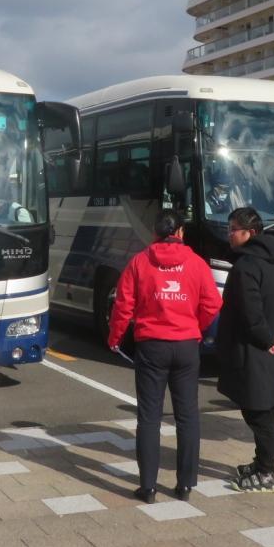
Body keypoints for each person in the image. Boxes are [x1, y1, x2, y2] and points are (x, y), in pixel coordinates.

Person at [107, 209, 221, 503]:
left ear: (155, 233)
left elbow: (123, 305)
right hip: (186, 345)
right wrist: (194, 326)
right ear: (181, 232)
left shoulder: (139, 262)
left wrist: (115, 337)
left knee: (149, 417)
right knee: (187, 416)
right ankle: (185, 485)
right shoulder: (196, 263)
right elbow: (212, 303)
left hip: (151, 345)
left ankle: (148, 487)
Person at [215, 206, 274, 493]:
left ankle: (267, 471)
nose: (229, 235)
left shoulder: (247, 266)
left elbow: (250, 311)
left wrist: (264, 339)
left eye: (234, 230)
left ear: (251, 233)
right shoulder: (272, 260)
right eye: (229, 229)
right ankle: (262, 463)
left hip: (255, 349)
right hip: (266, 346)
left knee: (259, 412)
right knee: (261, 409)